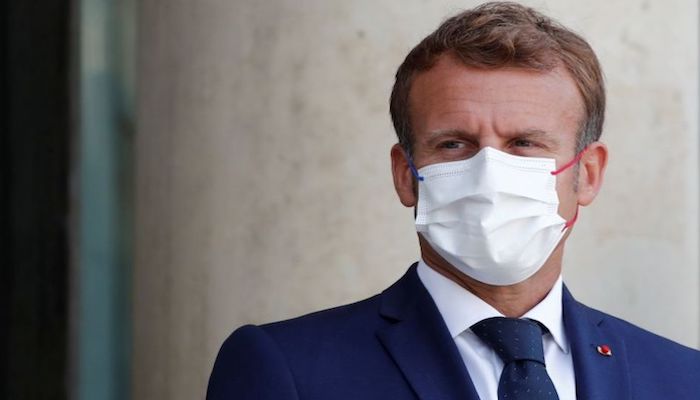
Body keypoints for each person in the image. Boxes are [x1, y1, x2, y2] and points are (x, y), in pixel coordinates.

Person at [207, 2, 700, 399]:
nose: (488, 172)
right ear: (406, 174)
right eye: (454, 144)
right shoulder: (287, 370)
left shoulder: (681, 379)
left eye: (524, 144)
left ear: (587, 175)